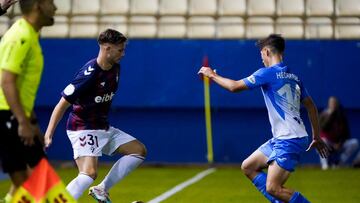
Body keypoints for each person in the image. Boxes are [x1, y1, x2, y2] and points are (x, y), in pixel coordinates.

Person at [198, 34, 329, 203]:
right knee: (248, 167)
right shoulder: (295, 78)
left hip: (289, 139)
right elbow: (311, 106)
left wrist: (212, 75)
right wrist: (316, 136)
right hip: (287, 137)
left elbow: (234, 87)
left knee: (273, 188)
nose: (262, 60)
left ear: (266, 52)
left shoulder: (267, 73)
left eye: (261, 55)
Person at [44, 29, 147, 202]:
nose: (123, 54)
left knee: (138, 151)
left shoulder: (116, 69)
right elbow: (62, 104)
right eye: (120, 50)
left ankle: (102, 189)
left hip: (102, 126)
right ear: (107, 48)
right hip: (83, 128)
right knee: (89, 173)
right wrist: (49, 133)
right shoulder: (89, 73)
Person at [0, 0, 56, 202]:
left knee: (23, 185)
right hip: (7, 116)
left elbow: (22, 90)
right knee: (42, 181)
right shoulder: (21, 37)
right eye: (51, 2)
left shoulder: (29, 35)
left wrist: (30, 122)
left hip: (12, 115)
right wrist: (22, 122)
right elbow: (6, 81)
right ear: (38, 6)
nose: (55, 8)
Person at [319, 96, 360, 169]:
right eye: (331, 103)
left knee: (354, 142)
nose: (333, 105)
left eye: (334, 103)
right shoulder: (324, 114)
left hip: (339, 143)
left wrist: (339, 143)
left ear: (337, 104)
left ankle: (339, 163)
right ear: (328, 104)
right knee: (321, 142)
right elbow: (323, 129)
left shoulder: (341, 115)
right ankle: (325, 166)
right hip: (328, 143)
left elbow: (346, 133)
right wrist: (331, 115)